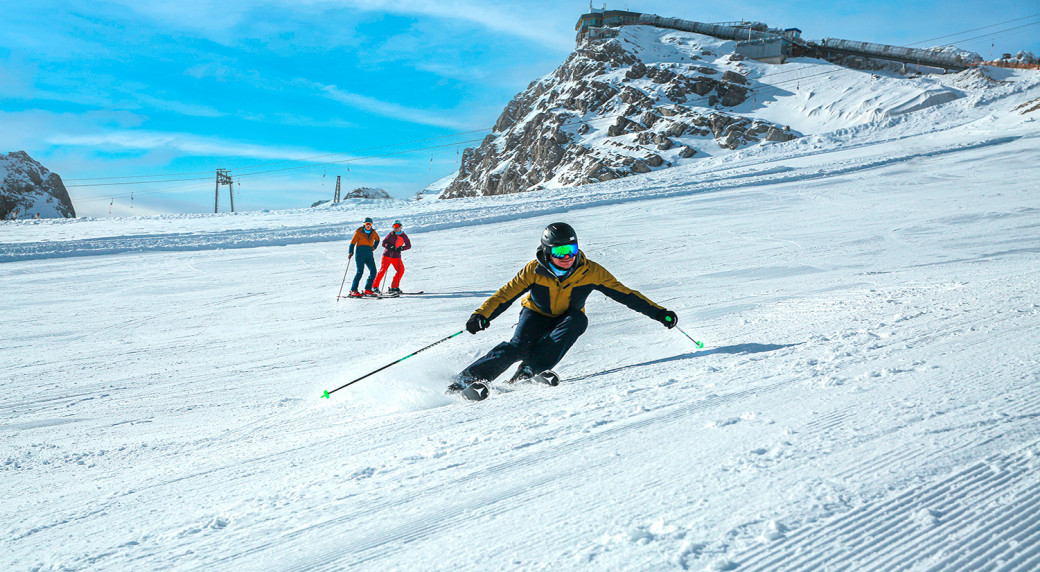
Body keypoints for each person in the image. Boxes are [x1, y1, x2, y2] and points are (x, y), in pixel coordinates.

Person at [449, 222, 678, 393]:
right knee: (518, 347)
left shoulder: (591, 271)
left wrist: (659, 313)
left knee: (579, 321)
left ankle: (529, 371)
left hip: (567, 317)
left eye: (572, 249)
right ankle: (466, 380)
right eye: (559, 252)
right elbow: (505, 294)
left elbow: (627, 294)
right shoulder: (534, 270)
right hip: (536, 313)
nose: (567, 256)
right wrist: (481, 315)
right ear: (547, 251)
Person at [373, 220, 411, 296]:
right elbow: (384, 243)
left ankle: (394, 286)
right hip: (387, 255)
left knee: (401, 270)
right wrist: (389, 246)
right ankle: (374, 286)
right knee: (383, 270)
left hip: (396, 256)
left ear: (401, 226)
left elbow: (408, 245)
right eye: (394, 226)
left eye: (398, 226)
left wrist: (401, 248)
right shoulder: (390, 234)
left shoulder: (404, 236)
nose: (396, 228)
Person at [347, 217, 380, 298]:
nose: (368, 226)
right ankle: (353, 290)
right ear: (364, 224)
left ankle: (367, 289)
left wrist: (374, 247)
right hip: (360, 254)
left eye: (370, 224)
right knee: (360, 272)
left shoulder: (373, 232)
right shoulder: (359, 232)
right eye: (366, 224)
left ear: (371, 225)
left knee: (373, 271)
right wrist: (350, 252)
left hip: (369, 253)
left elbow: (377, 239)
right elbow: (352, 243)